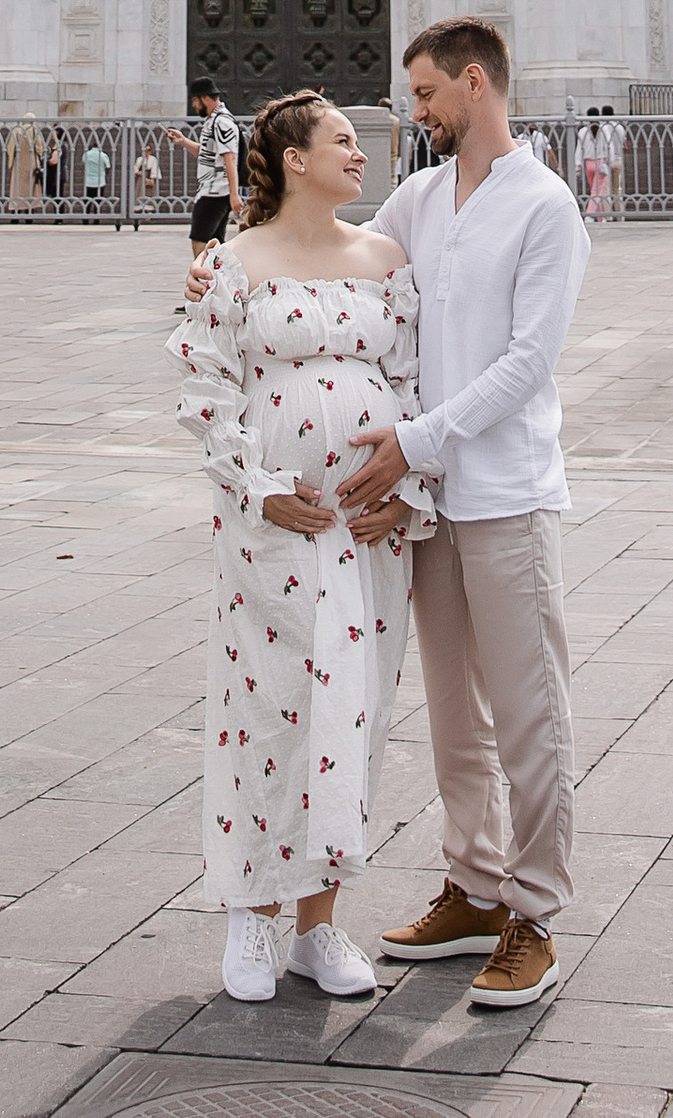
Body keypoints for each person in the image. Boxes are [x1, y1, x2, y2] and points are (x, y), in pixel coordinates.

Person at [346, 20, 589, 1012]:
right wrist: (230, 265)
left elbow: (528, 363)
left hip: (504, 494)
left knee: (529, 714)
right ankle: (475, 886)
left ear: (475, 83)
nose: (417, 111)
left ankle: (534, 911)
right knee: (453, 715)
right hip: (431, 503)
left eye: (426, 94)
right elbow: (346, 261)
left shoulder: (545, 207)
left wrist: (419, 440)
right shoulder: (420, 195)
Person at [169, 90, 430, 1004]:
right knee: (266, 708)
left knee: (352, 715)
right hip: (272, 530)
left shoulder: (387, 261)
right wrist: (261, 490)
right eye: (345, 142)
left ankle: (320, 923)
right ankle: (252, 914)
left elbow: (413, 381)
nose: (362, 155)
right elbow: (206, 388)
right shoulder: (233, 264)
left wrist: (407, 495)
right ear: (293, 160)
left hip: (367, 530)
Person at [172, 81, 243, 256]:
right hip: (213, 190)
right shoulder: (214, 121)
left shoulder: (222, 122)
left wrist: (234, 194)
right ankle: (216, 280)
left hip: (215, 192)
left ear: (205, 98)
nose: (194, 106)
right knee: (215, 244)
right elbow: (208, 154)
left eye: (195, 101)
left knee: (200, 241)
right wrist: (183, 141)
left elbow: (230, 158)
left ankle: (202, 280)